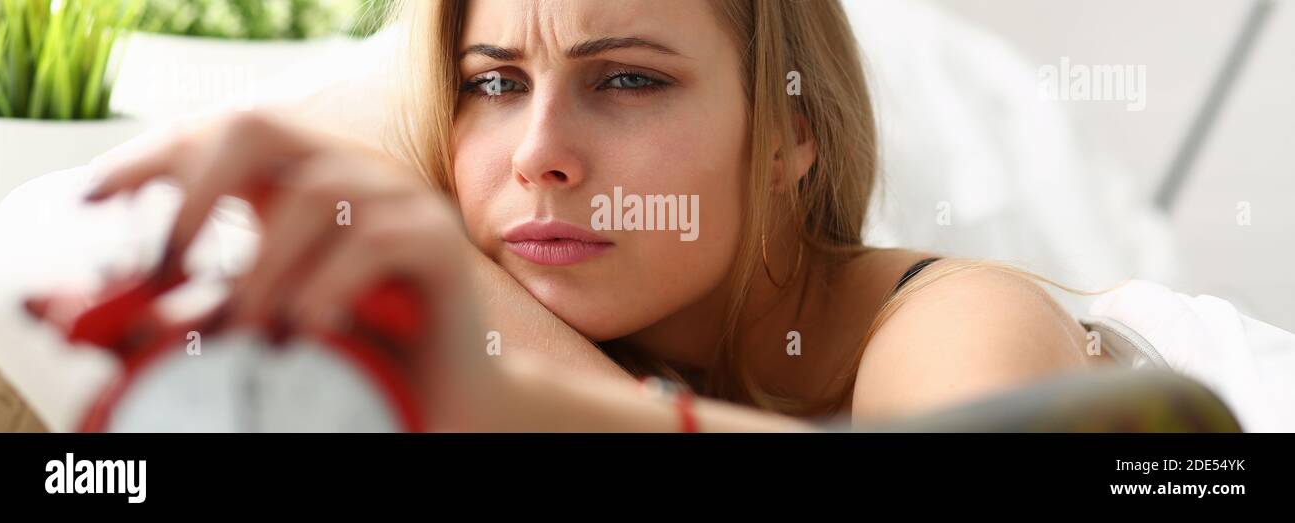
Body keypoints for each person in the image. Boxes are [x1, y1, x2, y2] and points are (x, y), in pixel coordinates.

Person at [83, 0, 1112, 432]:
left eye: (626, 79)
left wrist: (521, 392)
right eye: (491, 85)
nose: (537, 155)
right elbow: (347, 141)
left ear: (790, 135)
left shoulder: (959, 316)